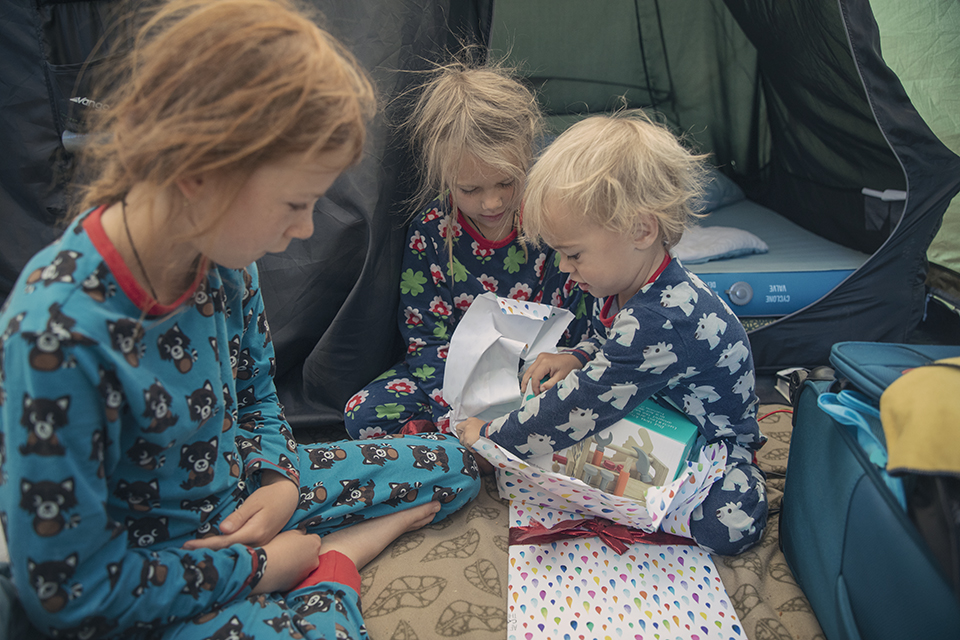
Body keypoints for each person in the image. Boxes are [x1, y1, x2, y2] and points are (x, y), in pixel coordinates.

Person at [0, 1, 480, 638]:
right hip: (158, 564)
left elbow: (256, 393)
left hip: (242, 494)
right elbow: (68, 591)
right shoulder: (57, 335)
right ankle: (334, 568)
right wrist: (257, 569)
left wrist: (280, 479)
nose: (304, 229)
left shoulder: (223, 259)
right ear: (201, 176)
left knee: (455, 466)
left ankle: (313, 566)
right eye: (295, 203)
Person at [456, 112, 768, 556]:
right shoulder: (634, 284)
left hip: (713, 446)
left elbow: (582, 403)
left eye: (574, 254)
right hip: (659, 412)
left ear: (641, 230)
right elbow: (613, 342)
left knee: (728, 527)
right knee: (569, 433)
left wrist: (491, 436)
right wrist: (579, 355)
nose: (564, 268)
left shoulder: (664, 317)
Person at [343, 60, 590, 440]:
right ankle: (465, 442)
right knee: (363, 413)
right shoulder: (431, 231)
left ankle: (491, 439)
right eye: (470, 190)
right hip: (455, 380)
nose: (492, 203)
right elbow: (425, 339)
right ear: (443, 175)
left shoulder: (549, 222)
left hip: (535, 375)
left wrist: (542, 384)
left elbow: (577, 325)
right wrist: (457, 414)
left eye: (506, 182)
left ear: (527, 158)